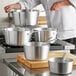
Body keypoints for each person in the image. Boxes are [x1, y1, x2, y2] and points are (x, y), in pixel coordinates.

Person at [4, 0, 76, 54]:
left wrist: (61, 3)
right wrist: (13, 6)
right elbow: (29, 2)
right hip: (53, 33)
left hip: (70, 32)